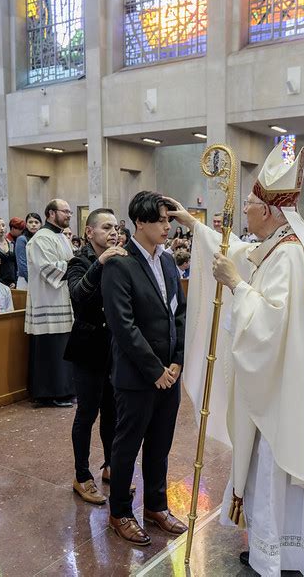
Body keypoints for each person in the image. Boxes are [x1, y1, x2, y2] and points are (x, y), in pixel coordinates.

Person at [168, 141, 304, 576]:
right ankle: (299, 547)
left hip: (282, 391)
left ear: (268, 210)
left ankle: (275, 553)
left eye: (249, 203)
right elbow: (239, 252)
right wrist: (194, 223)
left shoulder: (289, 255)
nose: (246, 210)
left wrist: (235, 286)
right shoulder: (301, 245)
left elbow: (268, 325)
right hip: (301, 385)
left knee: (274, 467)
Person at [101, 191, 187, 546]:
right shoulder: (120, 264)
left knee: (160, 444)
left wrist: (177, 360)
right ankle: (120, 511)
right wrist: (155, 370)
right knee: (127, 446)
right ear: (140, 222)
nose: (168, 226)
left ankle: (155, 505)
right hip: (138, 375)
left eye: (169, 220)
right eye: (162, 220)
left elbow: (179, 313)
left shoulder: (167, 262)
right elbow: (123, 325)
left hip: (170, 373)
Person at [65, 209, 126, 505]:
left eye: (115, 227)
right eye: (106, 227)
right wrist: (100, 262)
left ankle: (110, 466)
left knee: (112, 413)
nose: (113, 232)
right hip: (88, 348)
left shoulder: (120, 259)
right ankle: (81, 475)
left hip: (113, 349)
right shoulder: (80, 261)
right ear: (90, 232)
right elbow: (78, 294)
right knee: (86, 414)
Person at [25, 199, 75, 407]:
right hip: (48, 300)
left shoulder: (60, 236)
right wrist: (77, 265)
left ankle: (64, 390)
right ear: (51, 213)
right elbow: (48, 269)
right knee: (50, 348)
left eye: (70, 212)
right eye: (65, 211)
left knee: (62, 346)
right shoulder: (41, 239)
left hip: (62, 299)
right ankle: (49, 393)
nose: (69, 215)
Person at [15, 213, 42, 290]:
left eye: (36, 222)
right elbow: (22, 264)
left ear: (41, 225)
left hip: (40, 279)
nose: (33, 224)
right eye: (30, 222)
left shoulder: (42, 239)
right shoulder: (22, 239)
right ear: (26, 225)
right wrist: (32, 282)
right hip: (25, 280)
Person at [0, 218, 17, 288]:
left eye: (3, 225)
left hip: (13, 283)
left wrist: (15, 281)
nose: (1, 228)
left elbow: (15, 264)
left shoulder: (12, 244)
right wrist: (3, 284)